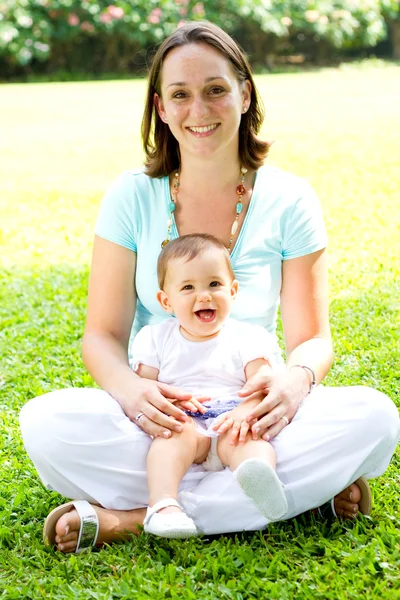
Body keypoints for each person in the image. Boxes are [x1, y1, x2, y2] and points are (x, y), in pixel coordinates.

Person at [20, 21, 399, 554]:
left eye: (216, 89)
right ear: (161, 107)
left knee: (376, 417)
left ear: (245, 93)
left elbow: (313, 339)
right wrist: (135, 395)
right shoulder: (131, 197)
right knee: (45, 423)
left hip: (251, 419)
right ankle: (297, 497)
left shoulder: (290, 199)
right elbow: (102, 336)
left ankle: (134, 515)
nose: (199, 111)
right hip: (163, 421)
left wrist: (292, 385)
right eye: (181, 94)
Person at [134, 234, 288, 538]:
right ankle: (163, 506)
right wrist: (168, 405)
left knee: (251, 442)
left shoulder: (249, 337)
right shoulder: (155, 339)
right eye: (188, 287)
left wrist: (245, 411)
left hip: (233, 419)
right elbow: (144, 389)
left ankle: (261, 481)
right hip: (185, 422)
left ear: (232, 291)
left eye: (214, 285)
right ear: (166, 300)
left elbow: (261, 383)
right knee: (170, 441)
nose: (204, 296)